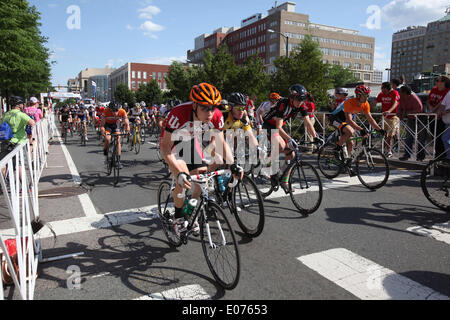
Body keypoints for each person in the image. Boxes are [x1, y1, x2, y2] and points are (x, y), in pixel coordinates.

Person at [160, 83, 243, 236]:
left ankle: (190, 211)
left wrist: (233, 164)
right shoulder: (178, 113)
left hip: (190, 140)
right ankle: (177, 217)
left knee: (202, 177)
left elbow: (220, 142)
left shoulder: (217, 115)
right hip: (173, 141)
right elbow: (165, 146)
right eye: (205, 108)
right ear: (194, 105)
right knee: (183, 179)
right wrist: (178, 172)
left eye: (212, 107)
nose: (210, 112)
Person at [262, 84, 324, 192]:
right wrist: (290, 139)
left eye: (303, 99)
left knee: (292, 155)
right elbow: (278, 127)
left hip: (281, 125)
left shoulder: (301, 106)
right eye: (299, 99)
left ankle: (284, 180)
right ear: (292, 97)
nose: (301, 102)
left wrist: (315, 137)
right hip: (270, 125)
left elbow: (308, 122)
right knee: (281, 145)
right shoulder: (283, 104)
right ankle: (268, 167)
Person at [335, 85, 385, 164]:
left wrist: (380, 129)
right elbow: (349, 120)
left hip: (345, 120)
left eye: (367, 96)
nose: (366, 98)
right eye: (365, 96)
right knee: (350, 131)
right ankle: (336, 149)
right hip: (336, 118)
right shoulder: (349, 102)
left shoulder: (365, 104)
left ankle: (347, 162)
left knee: (351, 143)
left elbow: (370, 119)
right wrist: (361, 129)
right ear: (358, 95)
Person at [0, 96, 35, 161]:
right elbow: (32, 123)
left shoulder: (5, 115)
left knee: (3, 163)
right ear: (19, 105)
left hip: (5, 142)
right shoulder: (21, 114)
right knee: (19, 163)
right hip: (18, 142)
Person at [397, 85, 425, 161]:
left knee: (421, 137)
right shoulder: (401, 98)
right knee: (409, 136)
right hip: (410, 118)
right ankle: (407, 154)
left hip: (420, 118)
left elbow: (419, 109)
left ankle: (421, 156)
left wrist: (406, 113)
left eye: (401, 93)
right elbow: (399, 107)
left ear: (405, 93)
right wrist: (399, 112)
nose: (399, 94)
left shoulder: (414, 98)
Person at [372, 82, 400, 158]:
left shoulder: (394, 93)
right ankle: (384, 150)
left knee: (390, 135)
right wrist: (370, 108)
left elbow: (396, 103)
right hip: (385, 118)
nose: (381, 89)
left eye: (382, 88)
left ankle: (389, 151)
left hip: (393, 117)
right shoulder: (381, 94)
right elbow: (375, 102)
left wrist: (389, 111)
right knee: (384, 134)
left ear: (387, 88)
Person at [100, 101, 130, 169]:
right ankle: (105, 152)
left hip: (116, 125)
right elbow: (102, 125)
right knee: (107, 139)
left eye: (116, 110)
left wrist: (128, 129)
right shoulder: (106, 111)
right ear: (110, 109)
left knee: (118, 141)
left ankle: (118, 161)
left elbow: (126, 122)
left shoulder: (122, 111)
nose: (115, 112)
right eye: (113, 111)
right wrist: (103, 131)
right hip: (107, 125)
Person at [427, 75, 450, 160]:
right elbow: (429, 100)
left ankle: (443, 155)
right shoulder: (433, 90)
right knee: (435, 136)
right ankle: (438, 154)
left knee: (442, 137)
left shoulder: (447, 91)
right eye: (436, 80)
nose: (437, 82)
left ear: (444, 82)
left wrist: (435, 111)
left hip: (441, 117)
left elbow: (441, 103)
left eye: (439, 80)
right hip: (433, 116)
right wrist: (430, 109)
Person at [440, 90, 450, 162]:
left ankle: (449, 157)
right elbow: (443, 104)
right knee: (445, 139)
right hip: (447, 122)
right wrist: (440, 111)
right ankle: (448, 156)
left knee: (445, 138)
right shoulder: (448, 93)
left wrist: (445, 111)